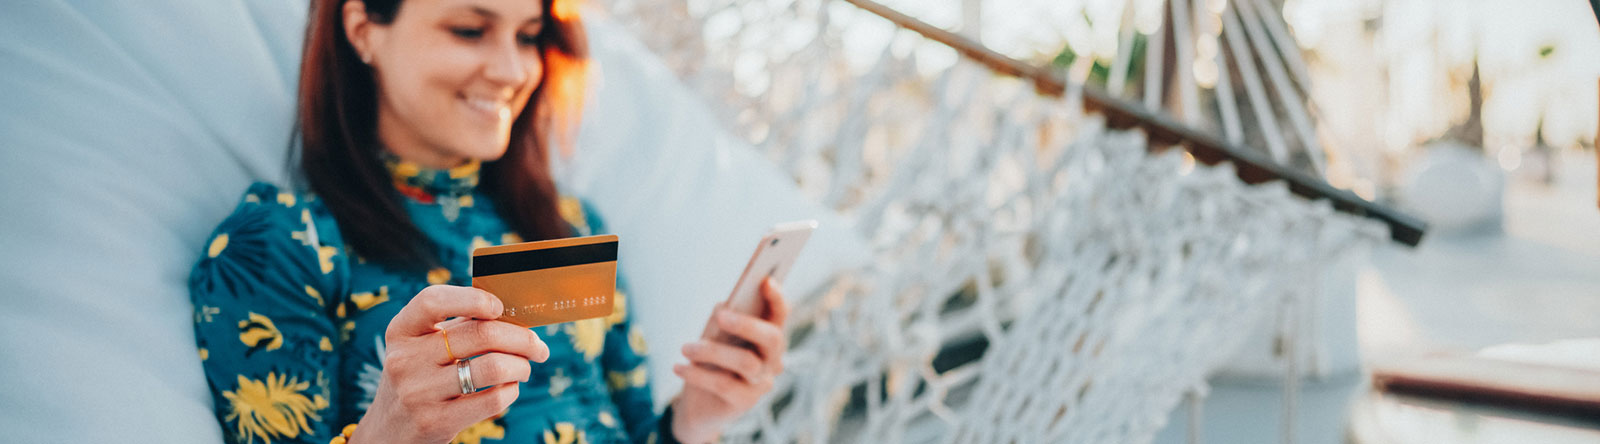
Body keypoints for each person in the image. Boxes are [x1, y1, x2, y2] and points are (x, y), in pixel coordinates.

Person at [187, 0, 789, 442]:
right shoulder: (283, 244)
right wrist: (388, 431)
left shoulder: (570, 224)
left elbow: (632, 431)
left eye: (528, 36)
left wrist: (697, 417)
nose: (510, 69)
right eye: (470, 30)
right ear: (364, 28)